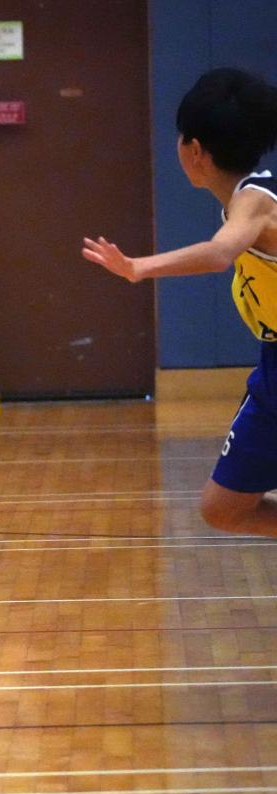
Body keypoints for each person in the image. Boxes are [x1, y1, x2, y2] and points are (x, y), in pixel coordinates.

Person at [84, 67, 277, 536]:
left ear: (195, 151)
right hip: (272, 362)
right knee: (223, 509)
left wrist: (138, 267)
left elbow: (218, 254)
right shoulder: (244, 200)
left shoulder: (256, 201)